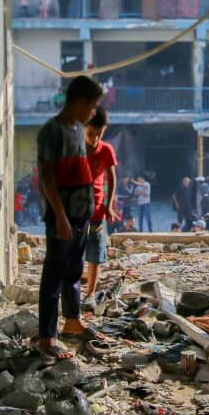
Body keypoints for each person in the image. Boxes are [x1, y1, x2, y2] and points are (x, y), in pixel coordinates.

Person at [36, 76, 105, 363]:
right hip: (62, 215)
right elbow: (46, 177)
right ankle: (46, 336)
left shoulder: (77, 129)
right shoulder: (51, 131)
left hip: (81, 213)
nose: (93, 112)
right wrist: (60, 217)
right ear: (78, 102)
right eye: (92, 106)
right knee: (54, 273)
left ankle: (72, 320)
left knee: (74, 269)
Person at [83, 106, 119, 302]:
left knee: (95, 255)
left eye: (99, 134)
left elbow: (112, 178)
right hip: (75, 213)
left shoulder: (106, 150)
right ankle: (72, 291)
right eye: (90, 134)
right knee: (73, 254)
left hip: (96, 212)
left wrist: (109, 205)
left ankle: (90, 294)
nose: (95, 138)